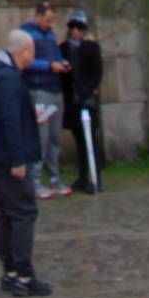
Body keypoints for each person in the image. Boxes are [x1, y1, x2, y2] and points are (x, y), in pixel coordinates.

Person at [0, 29, 51, 298]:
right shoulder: (8, 78)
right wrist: (18, 160)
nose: (33, 58)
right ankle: (23, 274)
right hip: (7, 157)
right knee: (23, 212)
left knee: (8, 212)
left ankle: (10, 272)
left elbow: (8, 116)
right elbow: (8, 121)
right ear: (25, 52)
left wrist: (32, 117)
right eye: (33, 53)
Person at [21, 0, 71, 199]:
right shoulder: (27, 35)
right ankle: (34, 180)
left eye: (52, 21)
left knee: (55, 137)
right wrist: (49, 66)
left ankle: (54, 176)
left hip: (54, 88)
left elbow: (56, 55)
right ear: (39, 16)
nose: (50, 25)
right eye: (48, 20)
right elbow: (26, 61)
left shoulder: (50, 35)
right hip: (38, 89)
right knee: (40, 137)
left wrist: (61, 63)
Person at [63, 11, 105, 193]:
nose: (75, 31)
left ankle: (96, 178)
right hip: (72, 100)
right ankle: (82, 176)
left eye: (78, 28)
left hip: (87, 98)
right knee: (79, 140)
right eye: (72, 28)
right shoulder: (63, 48)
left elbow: (97, 72)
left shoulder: (91, 47)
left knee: (91, 140)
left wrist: (88, 90)